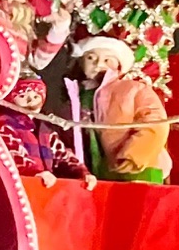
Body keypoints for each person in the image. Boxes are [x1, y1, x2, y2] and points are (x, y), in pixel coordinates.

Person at [69, 36, 171, 183]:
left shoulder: (133, 89)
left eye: (107, 60)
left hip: (136, 167)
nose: (98, 64)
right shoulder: (76, 96)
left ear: (119, 64)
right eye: (91, 58)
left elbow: (155, 122)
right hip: (95, 171)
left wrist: (134, 154)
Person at [0, 76, 94, 186]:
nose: (31, 101)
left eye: (36, 97)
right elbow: (12, 154)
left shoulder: (43, 128)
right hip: (20, 184)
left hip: (43, 186)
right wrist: (34, 172)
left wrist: (81, 172)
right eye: (22, 96)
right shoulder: (3, 124)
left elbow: (62, 154)